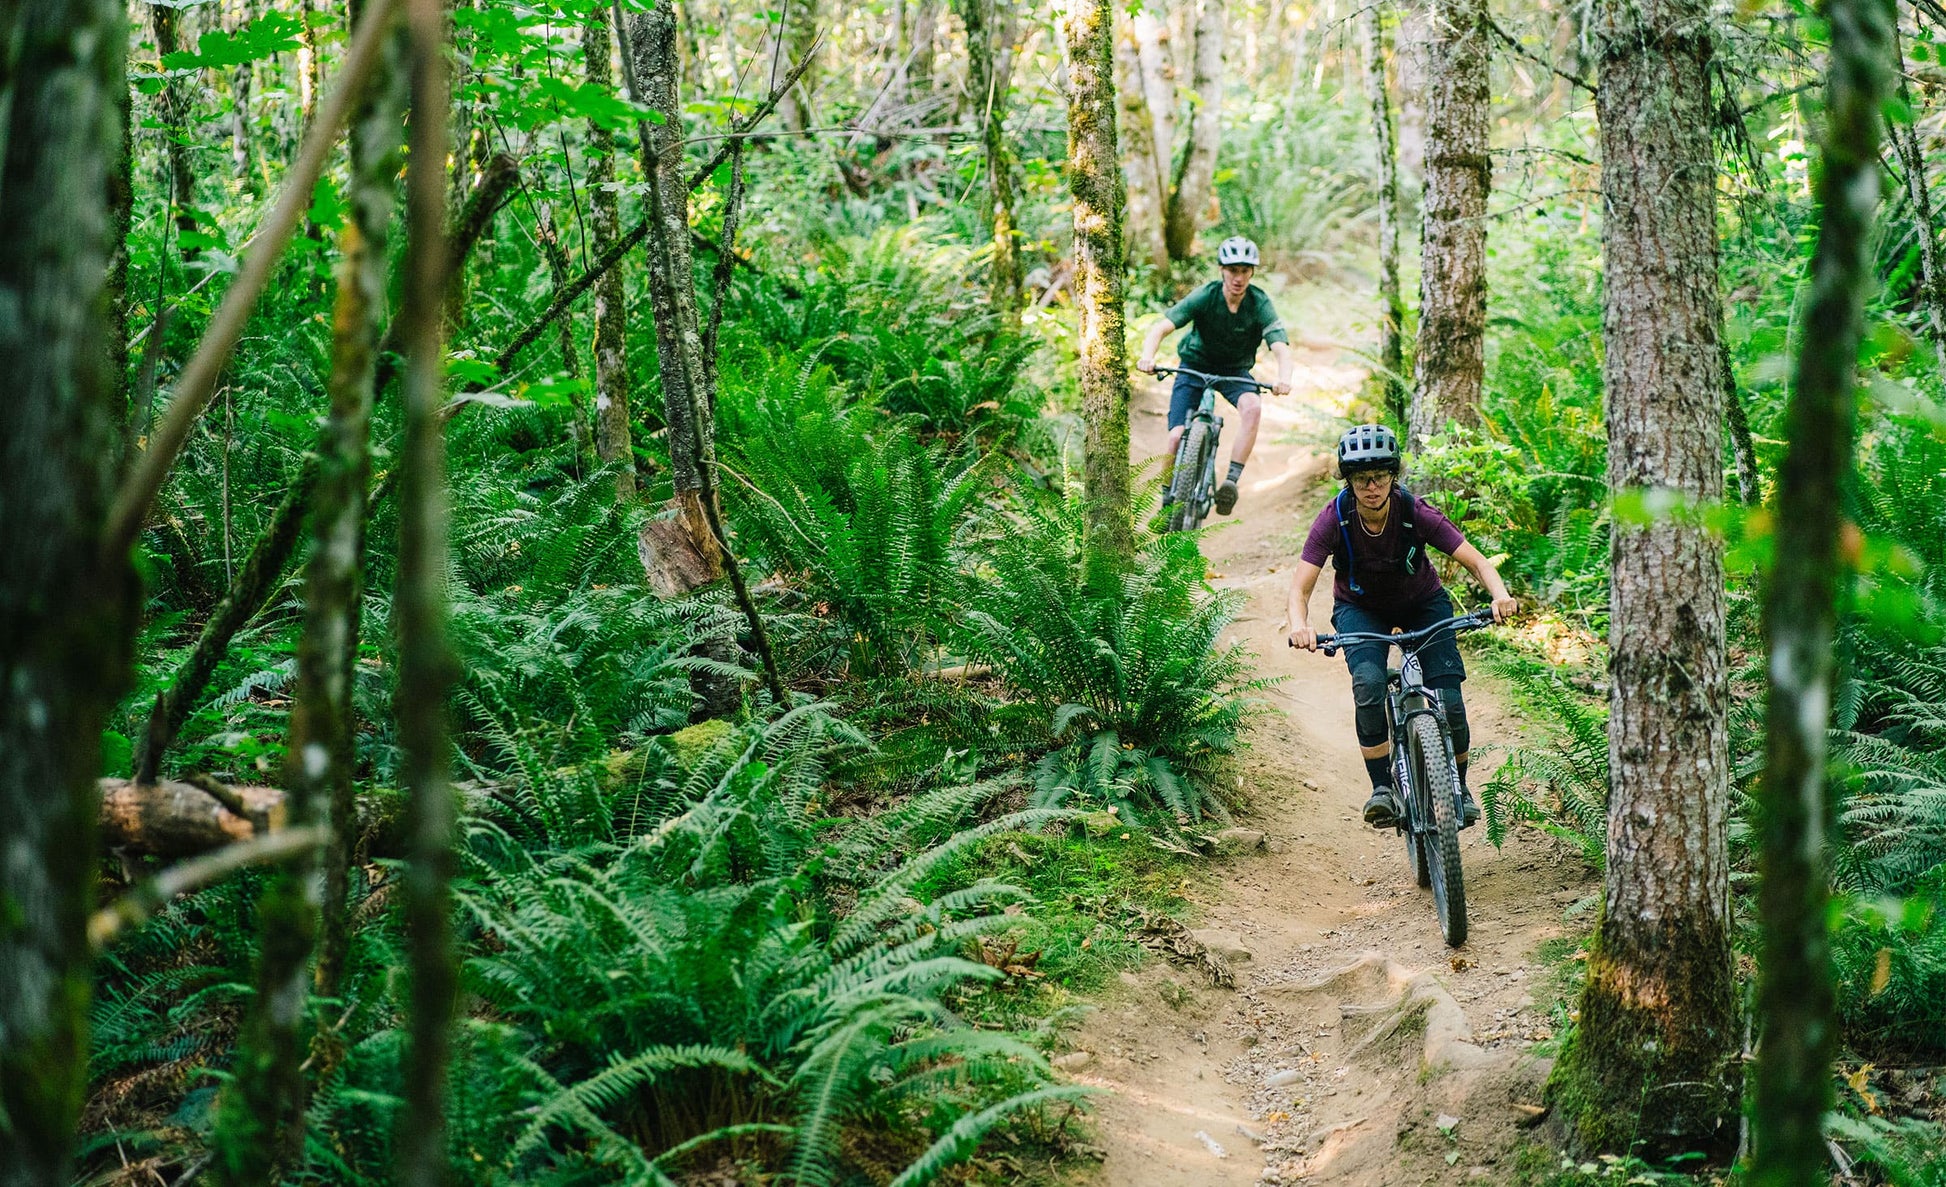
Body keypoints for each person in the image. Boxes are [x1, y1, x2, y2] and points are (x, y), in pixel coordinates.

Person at [1285, 425, 1518, 829]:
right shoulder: (1334, 518)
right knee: (1369, 684)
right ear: (1348, 480)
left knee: (1449, 696)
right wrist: (1299, 625)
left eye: (1379, 476)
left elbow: (1478, 562)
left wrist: (1500, 596)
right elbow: (1300, 589)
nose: (1371, 487)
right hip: (1361, 609)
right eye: (1361, 478)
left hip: (1423, 604)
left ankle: (1459, 790)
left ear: (1393, 476)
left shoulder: (1415, 512)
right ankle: (1382, 790)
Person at [1135, 236, 1297, 516]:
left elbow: (1280, 346)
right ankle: (1165, 498)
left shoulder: (1258, 302)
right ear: (1222, 269)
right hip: (1194, 365)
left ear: (1252, 273)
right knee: (1175, 437)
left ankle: (1230, 483)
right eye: (1233, 270)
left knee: (1253, 407)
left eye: (1245, 271)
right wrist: (1148, 356)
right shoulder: (1206, 296)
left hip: (1234, 370)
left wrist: (1284, 377)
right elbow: (1161, 327)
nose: (1238, 277)